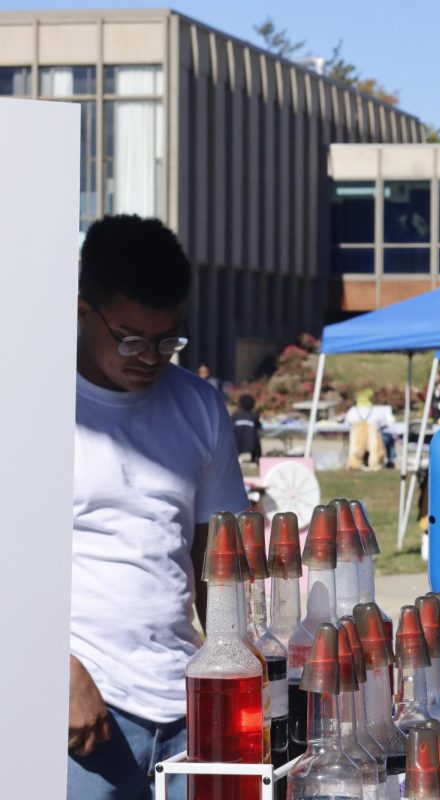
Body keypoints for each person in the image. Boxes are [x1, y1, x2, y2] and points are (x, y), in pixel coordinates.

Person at [72, 214, 249, 798]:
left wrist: (242, 674)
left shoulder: (198, 405)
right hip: (84, 713)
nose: (150, 356)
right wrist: (58, 673)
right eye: (130, 338)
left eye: (168, 339)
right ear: (81, 309)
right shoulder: (31, 400)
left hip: (187, 703)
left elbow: (218, 567)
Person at [231, 393, 263, 463]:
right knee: (256, 439)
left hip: (237, 443)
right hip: (251, 443)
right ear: (253, 404)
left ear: (239, 404)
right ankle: (256, 458)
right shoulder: (255, 415)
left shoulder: (235, 415)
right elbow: (259, 428)